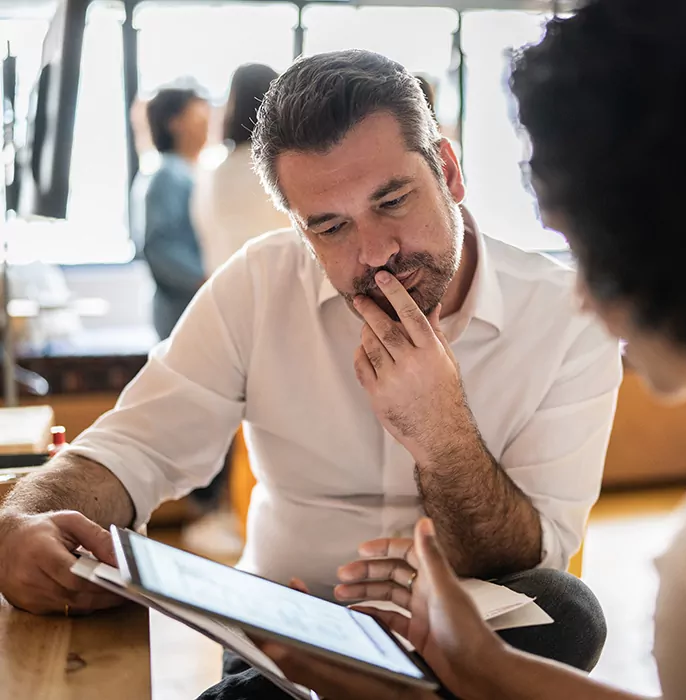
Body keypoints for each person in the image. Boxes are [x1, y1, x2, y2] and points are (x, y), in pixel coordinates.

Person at [0, 49, 621, 698]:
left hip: (463, 637)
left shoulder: (568, 317)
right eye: (330, 226)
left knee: (566, 610)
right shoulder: (259, 284)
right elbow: (131, 449)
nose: (376, 254)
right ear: (299, 226)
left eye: (393, 200)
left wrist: (441, 434)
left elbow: (532, 560)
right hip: (288, 635)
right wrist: (22, 521)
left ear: (448, 169)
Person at [253, 2, 686, 699]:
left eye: (584, 246)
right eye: (329, 225)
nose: (584, 299)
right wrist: (486, 670)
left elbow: (543, 552)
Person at [191, 64, 290, 275]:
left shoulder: (211, 169)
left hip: (223, 284)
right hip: (279, 282)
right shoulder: (282, 167)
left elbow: (205, 234)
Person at [140, 85, 209, 341]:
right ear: (175, 123)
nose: (206, 119)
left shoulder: (188, 172)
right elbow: (160, 247)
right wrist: (205, 279)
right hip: (181, 309)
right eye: (197, 112)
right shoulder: (168, 176)